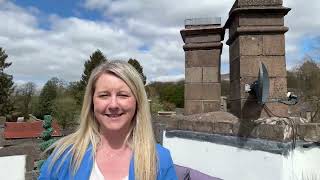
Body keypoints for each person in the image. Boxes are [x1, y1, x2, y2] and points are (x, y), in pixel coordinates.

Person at [38, 60, 177, 180]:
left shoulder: (159, 159)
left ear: (138, 102)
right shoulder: (64, 155)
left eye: (123, 95)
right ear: (92, 102)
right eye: (104, 95)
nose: (113, 105)